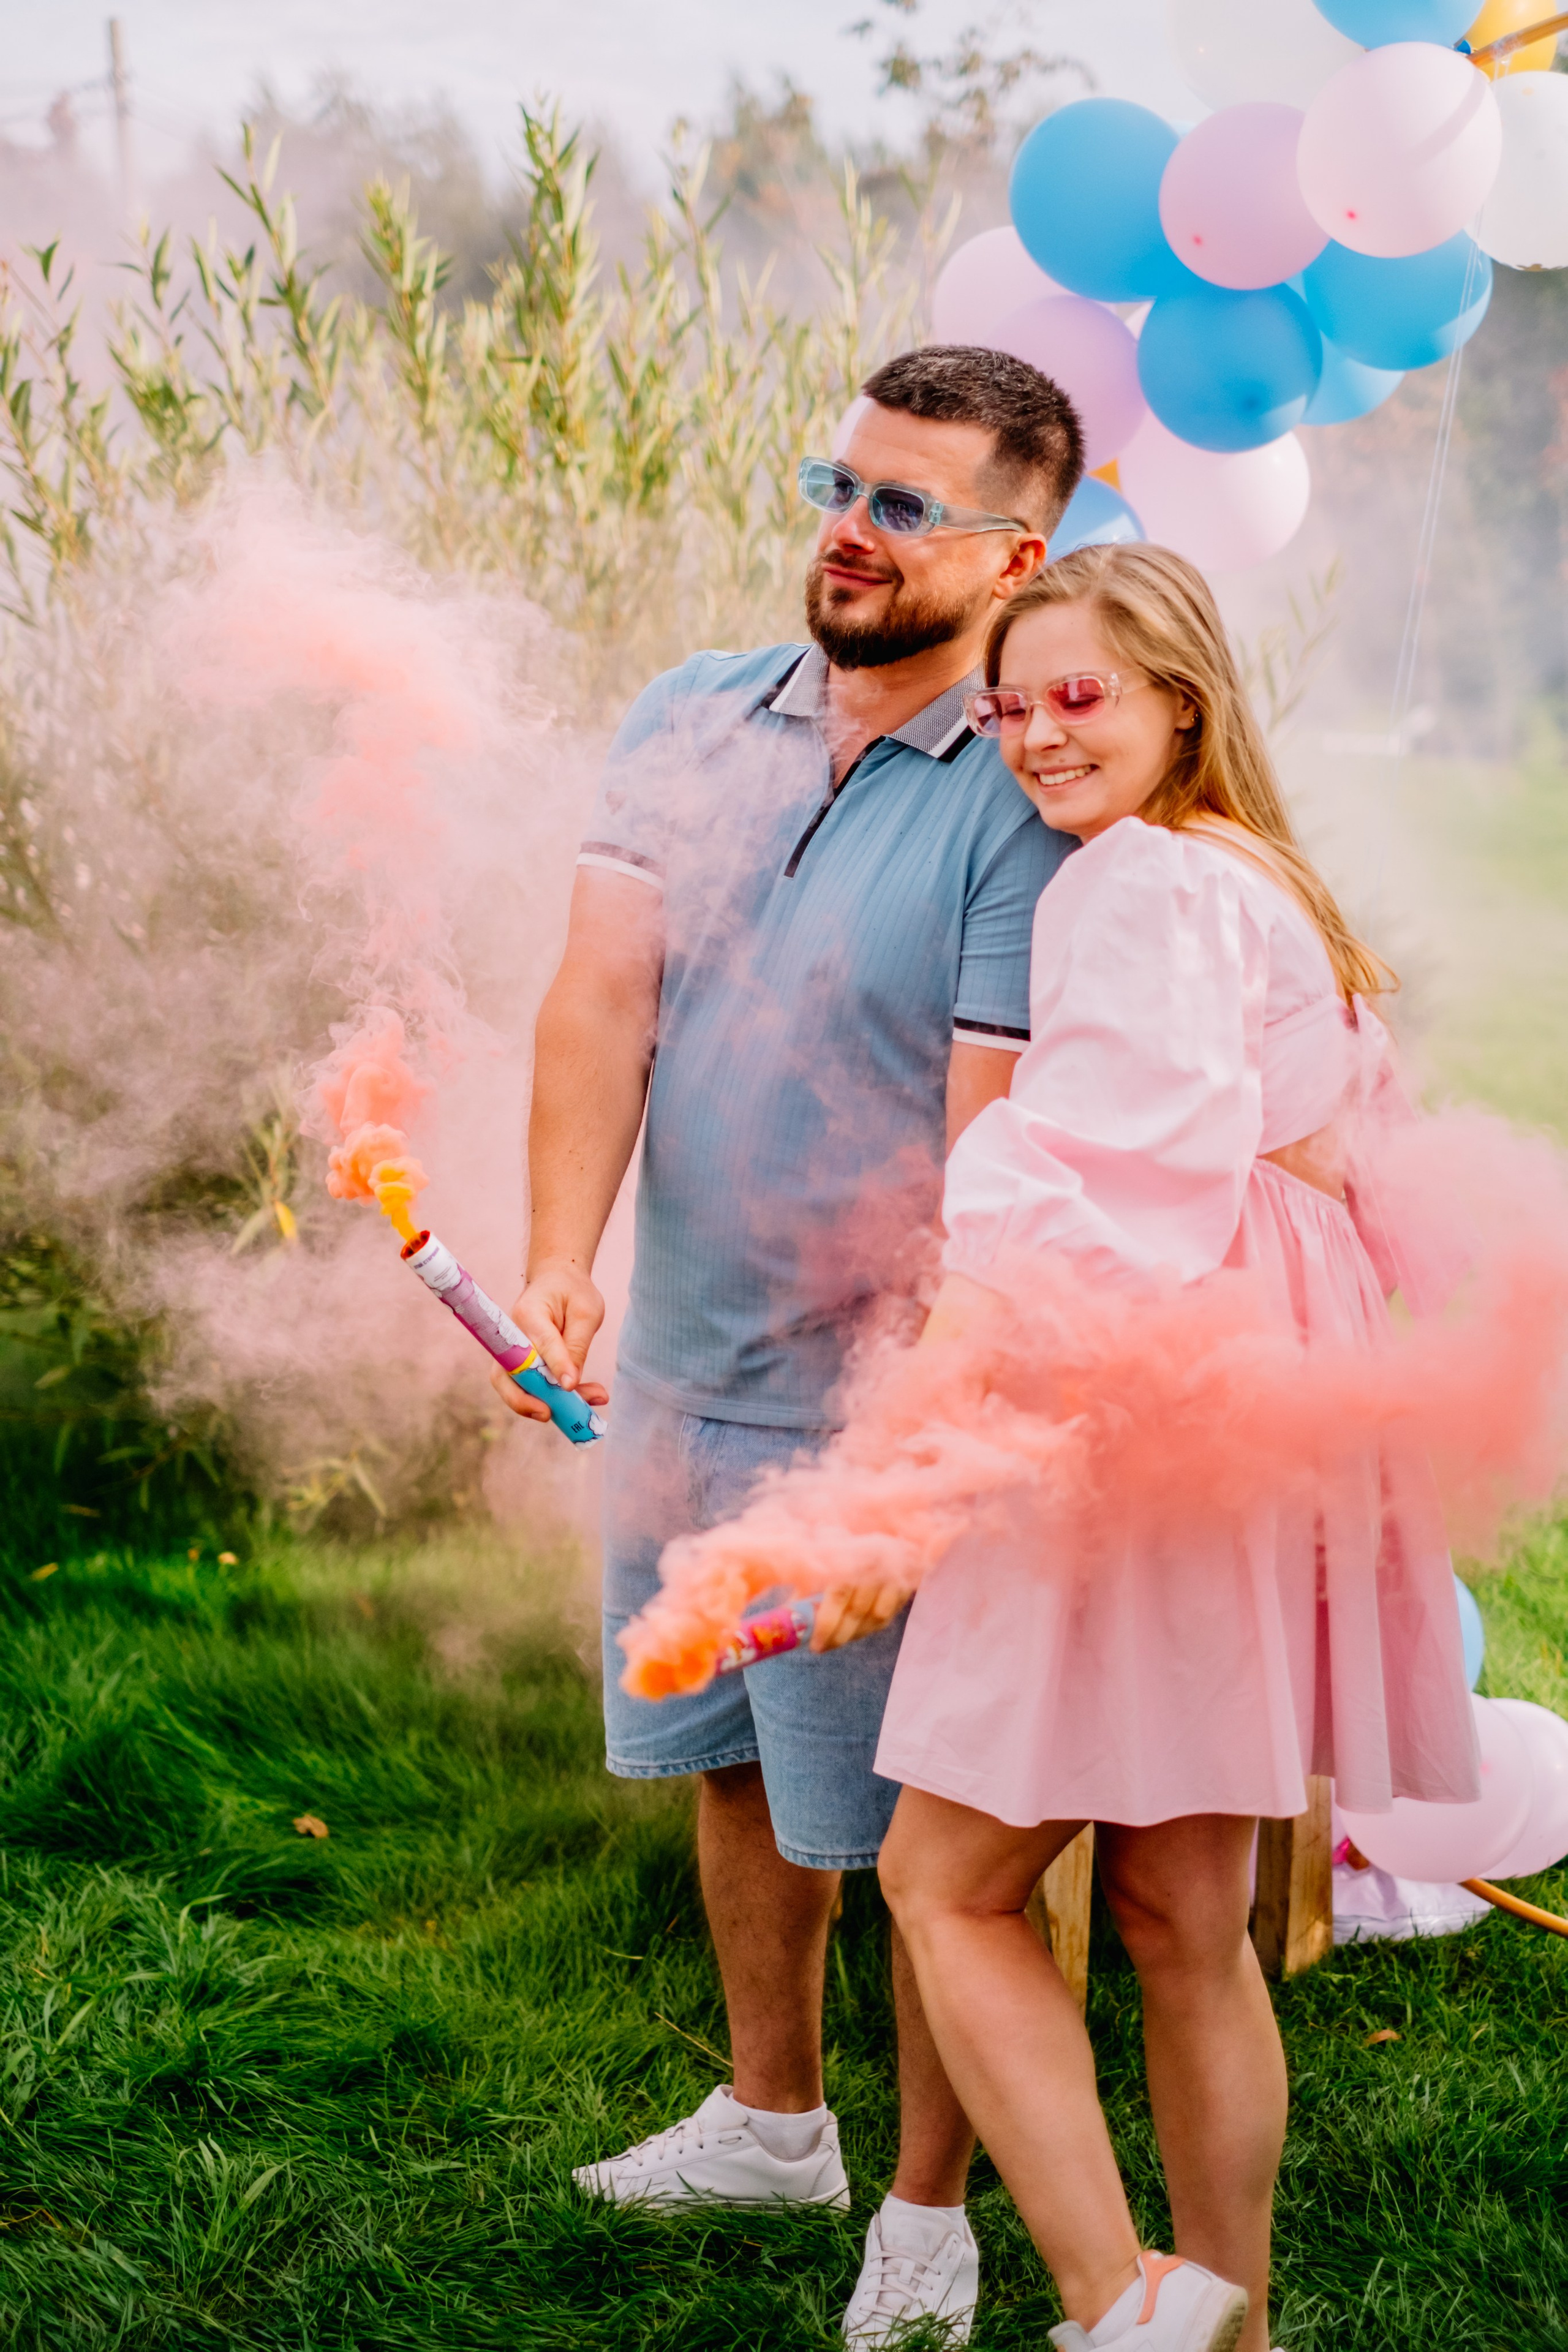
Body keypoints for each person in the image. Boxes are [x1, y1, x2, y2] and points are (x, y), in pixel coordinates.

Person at [805, 543, 1480, 2352]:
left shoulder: (1134, 884)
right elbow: (1333, 1165)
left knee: (942, 1882)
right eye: (1010, 704)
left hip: (1148, 1398)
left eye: (1078, 694)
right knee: (1188, 1908)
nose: (1034, 737)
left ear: (1184, 693)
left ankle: (1124, 2308)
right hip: (1267, 1400)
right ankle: (1236, 2322)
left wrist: (929, 1427)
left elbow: (1086, 1182)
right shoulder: (1272, 880)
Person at [492, 346, 1085, 2342]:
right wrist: (564, 1254)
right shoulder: (693, 716)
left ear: (1025, 550)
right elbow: (597, 1005)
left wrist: (904, 1446)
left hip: (885, 1413)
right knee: (730, 1758)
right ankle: (772, 2117)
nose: (848, 524)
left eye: (906, 504)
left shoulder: (1025, 791)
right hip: (678, 1357)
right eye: (840, 478)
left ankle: (930, 2212)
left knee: (923, 1828)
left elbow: (988, 1153)